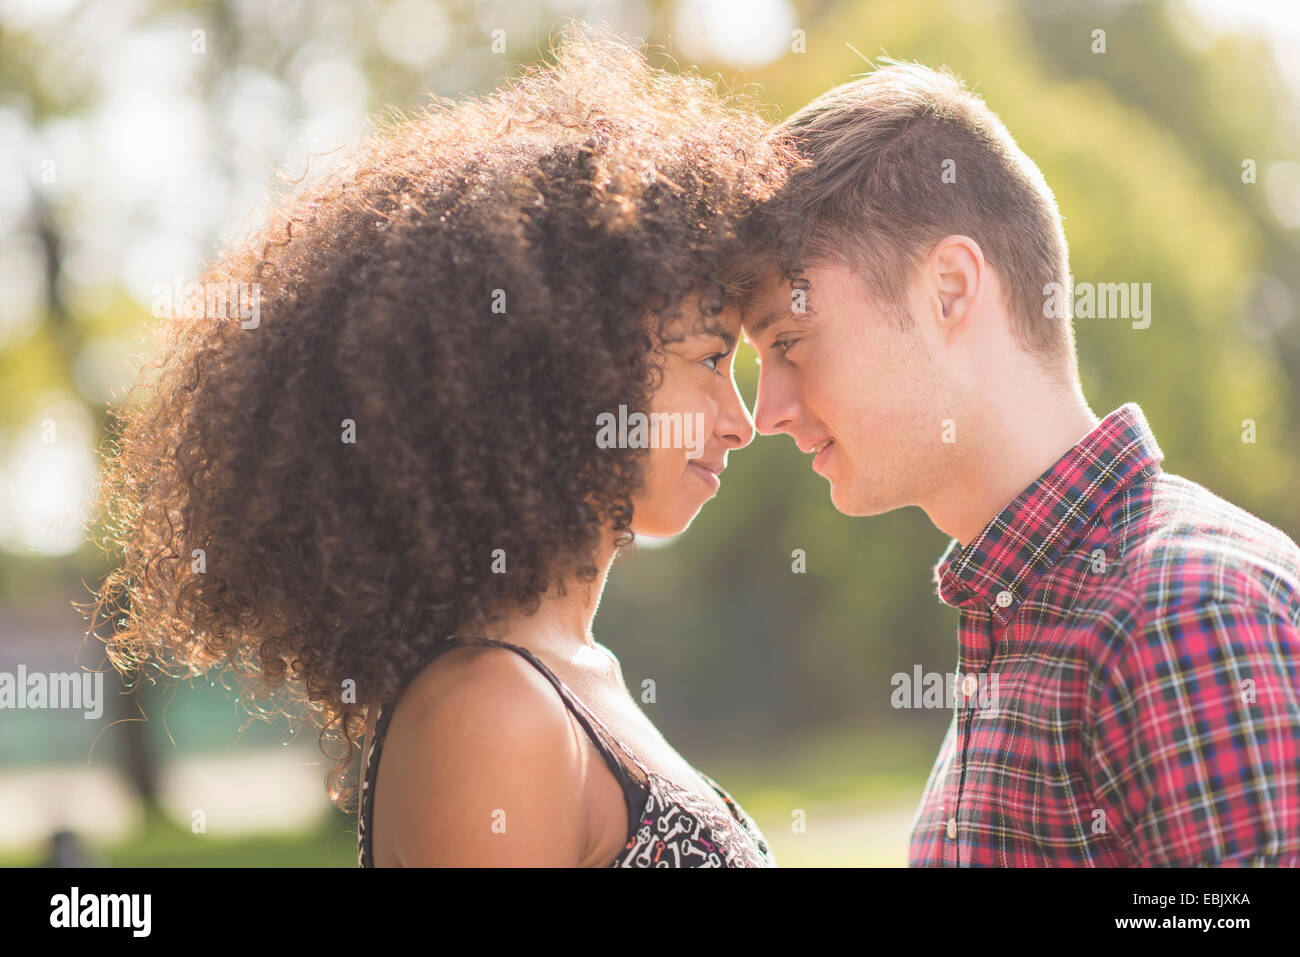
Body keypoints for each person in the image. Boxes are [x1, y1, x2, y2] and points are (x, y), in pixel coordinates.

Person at [85, 26, 793, 867]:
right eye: (712, 360)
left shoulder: (563, 674)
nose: (740, 420)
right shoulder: (491, 708)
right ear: (568, 366)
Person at [736, 61, 1300, 866]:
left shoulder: (1186, 612)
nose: (769, 413)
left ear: (951, 289)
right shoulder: (1024, 620)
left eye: (788, 343)